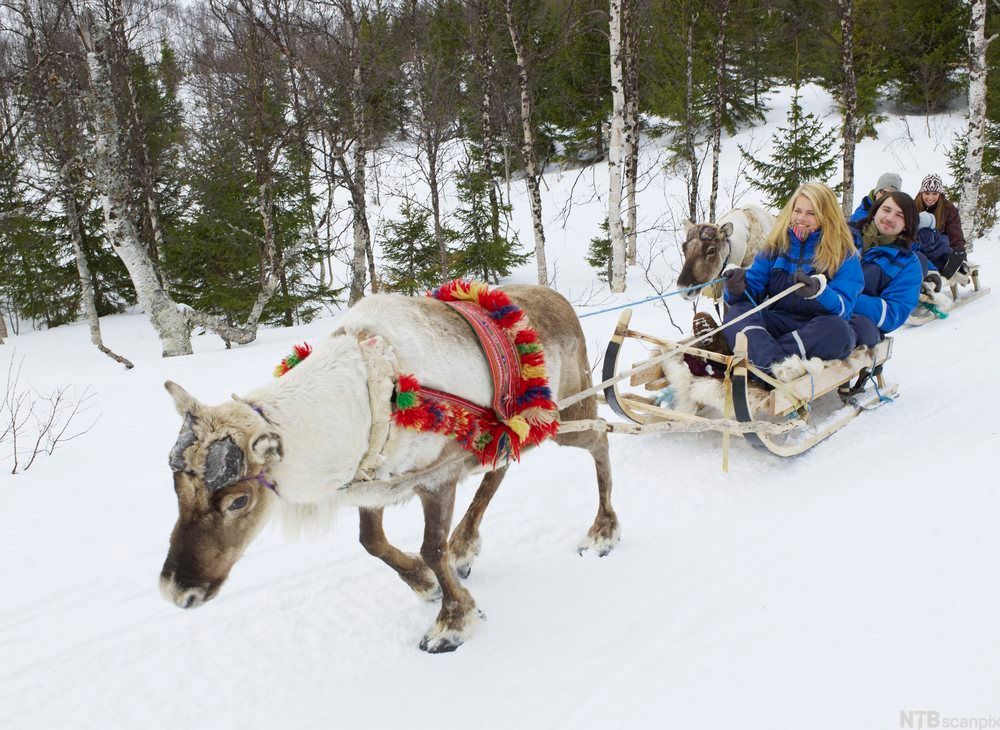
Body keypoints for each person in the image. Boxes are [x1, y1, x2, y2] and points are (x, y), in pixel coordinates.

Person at [694, 182, 864, 382]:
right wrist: (737, 287)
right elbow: (753, 291)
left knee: (840, 331)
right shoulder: (777, 246)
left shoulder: (843, 254)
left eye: (811, 213)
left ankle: (756, 357)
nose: (801, 218)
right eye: (797, 210)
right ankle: (774, 367)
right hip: (779, 320)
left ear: (827, 216)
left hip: (817, 328)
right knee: (739, 312)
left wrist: (820, 291)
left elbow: (844, 308)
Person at [847, 192, 923, 347]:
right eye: (886, 210)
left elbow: (893, 314)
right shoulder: (844, 234)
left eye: (899, 215)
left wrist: (841, 298)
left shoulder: (907, 264)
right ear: (875, 211)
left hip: (854, 323)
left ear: (907, 224)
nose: (889, 218)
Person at [914, 173, 967, 279]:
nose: (930, 198)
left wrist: (960, 252)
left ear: (940, 194)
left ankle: (948, 263)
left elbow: (955, 233)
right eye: (927, 193)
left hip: (938, 246)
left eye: (934, 193)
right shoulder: (913, 206)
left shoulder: (948, 208)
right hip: (919, 244)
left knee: (943, 240)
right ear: (921, 193)